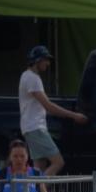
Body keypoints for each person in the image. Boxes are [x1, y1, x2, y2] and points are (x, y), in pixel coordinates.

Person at [18, 45, 87, 177]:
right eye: (46, 60)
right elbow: (48, 106)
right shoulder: (33, 79)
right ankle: (39, 188)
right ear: (37, 60)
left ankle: (36, 189)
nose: (48, 63)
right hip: (36, 128)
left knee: (39, 167)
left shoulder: (26, 76)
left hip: (30, 128)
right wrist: (74, 115)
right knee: (58, 162)